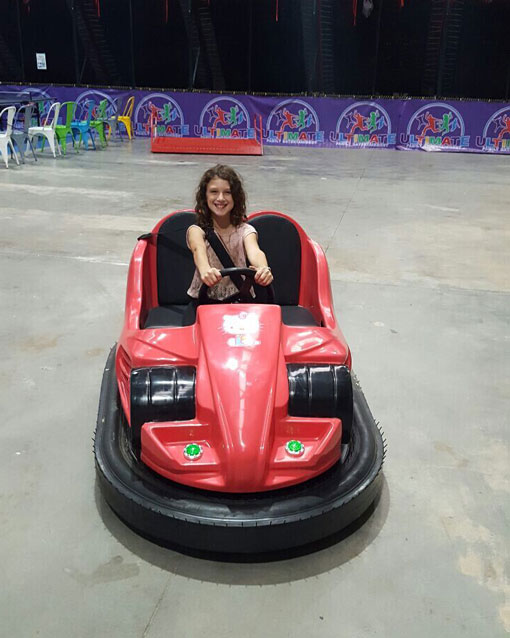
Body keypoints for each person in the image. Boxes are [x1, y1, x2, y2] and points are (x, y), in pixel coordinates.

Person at [186, 165, 273, 311]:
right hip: (203, 302)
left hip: (241, 301)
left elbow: (255, 252)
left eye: (227, 192)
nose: (220, 198)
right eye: (214, 192)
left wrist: (263, 268)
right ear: (205, 196)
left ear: (236, 197)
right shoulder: (197, 231)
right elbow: (198, 250)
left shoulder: (245, 231)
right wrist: (206, 270)